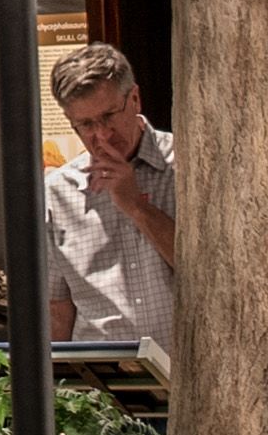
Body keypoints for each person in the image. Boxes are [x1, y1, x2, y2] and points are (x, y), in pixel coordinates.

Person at [39, 44, 175, 348]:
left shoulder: (188, 166)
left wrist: (136, 206)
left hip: (189, 379)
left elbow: (211, 274)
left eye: (109, 116)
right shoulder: (57, 193)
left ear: (135, 98)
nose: (102, 135)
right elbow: (57, 311)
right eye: (86, 125)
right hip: (100, 387)